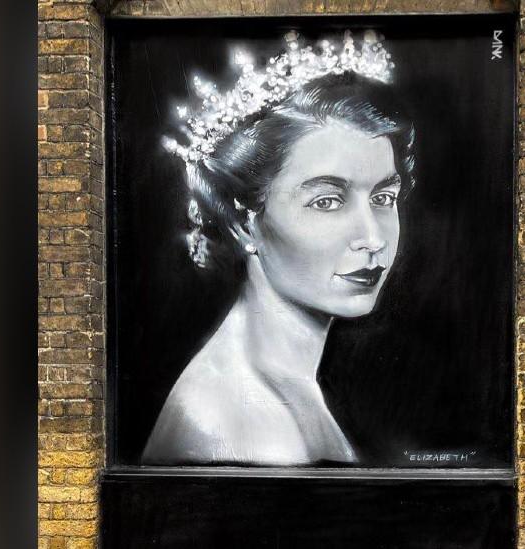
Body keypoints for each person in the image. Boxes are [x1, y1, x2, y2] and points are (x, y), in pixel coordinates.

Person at [142, 32, 416, 466]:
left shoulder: (285, 383)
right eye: (327, 201)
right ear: (244, 222)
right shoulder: (240, 419)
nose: (374, 238)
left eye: (383, 198)